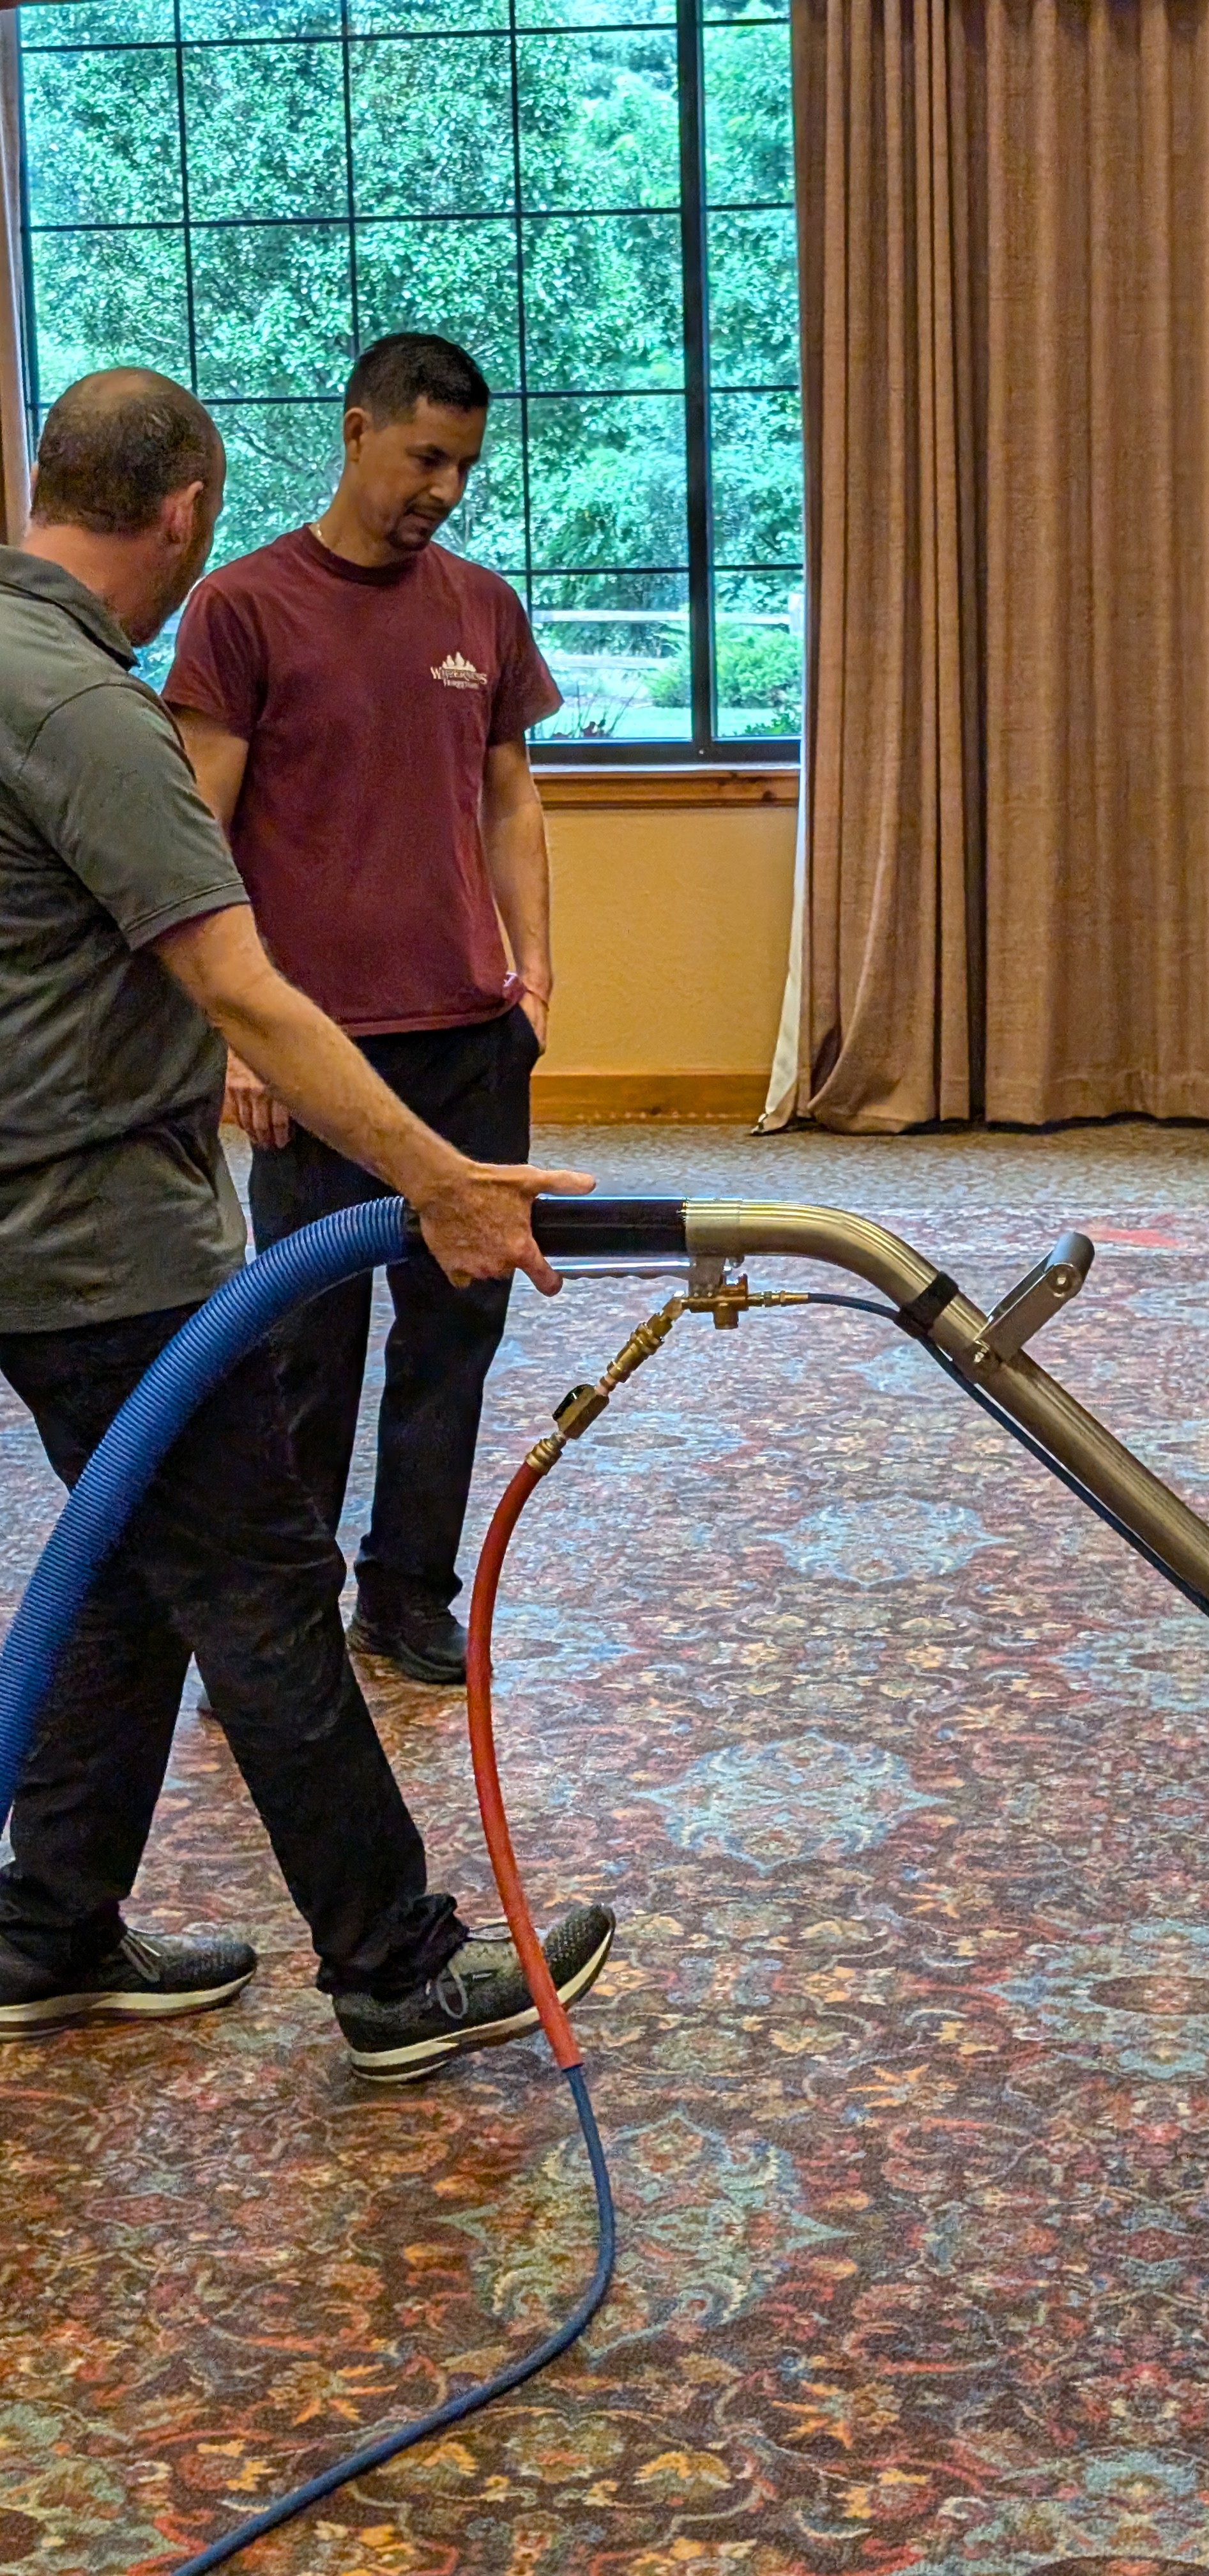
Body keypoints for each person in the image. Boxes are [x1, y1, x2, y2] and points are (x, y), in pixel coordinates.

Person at [0, 367, 614, 2079]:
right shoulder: (87, 704)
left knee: (123, 1568)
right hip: (100, 1242)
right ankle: (393, 1967)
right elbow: (243, 988)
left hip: (43, 1220)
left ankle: (48, 1928)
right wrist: (436, 1176)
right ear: (185, 510)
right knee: (261, 1582)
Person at [163, 334, 560, 1687]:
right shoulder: (242, 607)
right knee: (305, 1349)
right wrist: (234, 1036)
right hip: (314, 1053)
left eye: (464, 467)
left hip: (467, 1037)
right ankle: (285, 1624)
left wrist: (536, 971)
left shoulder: (482, 609)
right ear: (357, 431)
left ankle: (405, 1596)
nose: (443, 489)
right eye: (425, 458)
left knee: (456, 1333)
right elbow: (197, 837)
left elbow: (510, 798)